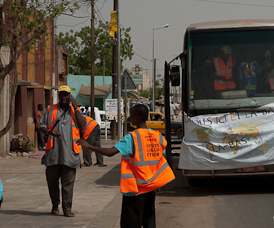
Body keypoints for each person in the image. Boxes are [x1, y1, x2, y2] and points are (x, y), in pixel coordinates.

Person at [78, 104, 175, 227]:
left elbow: (110, 152)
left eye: (132, 115)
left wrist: (89, 146)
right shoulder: (157, 136)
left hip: (135, 189)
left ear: (137, 118)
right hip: (151, 187)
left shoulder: (132, 137)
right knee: (149, 221)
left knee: (130, 224)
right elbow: (161, 148)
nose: (130, 117)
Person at [39, 85, 86, 217]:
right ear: (58, 96)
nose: (64, 97)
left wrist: (75, 106)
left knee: (68, 184)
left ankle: (67, 208)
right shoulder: (50, 109)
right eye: (62, 95)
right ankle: (55, 205)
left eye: (66, 95)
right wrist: (49, 131)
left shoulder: (75, 111)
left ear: (70, 96)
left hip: (70, 154)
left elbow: (82, 125)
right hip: (53, 153)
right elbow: (41, 125)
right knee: (52, 182)